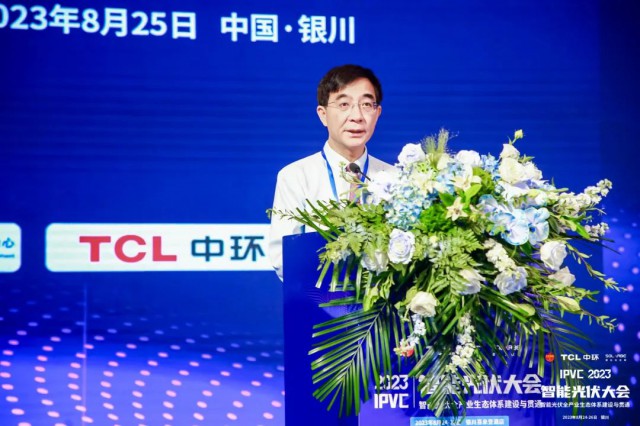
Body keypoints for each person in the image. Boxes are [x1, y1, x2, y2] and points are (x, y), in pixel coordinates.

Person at [268, 64, 394, 281]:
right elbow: (282, 257)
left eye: (366, 104)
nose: (357, 116)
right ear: (323, 115)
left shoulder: (397, 179)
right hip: (319, 298)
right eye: (344, 104)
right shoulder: (296, 176)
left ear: (377, 113)